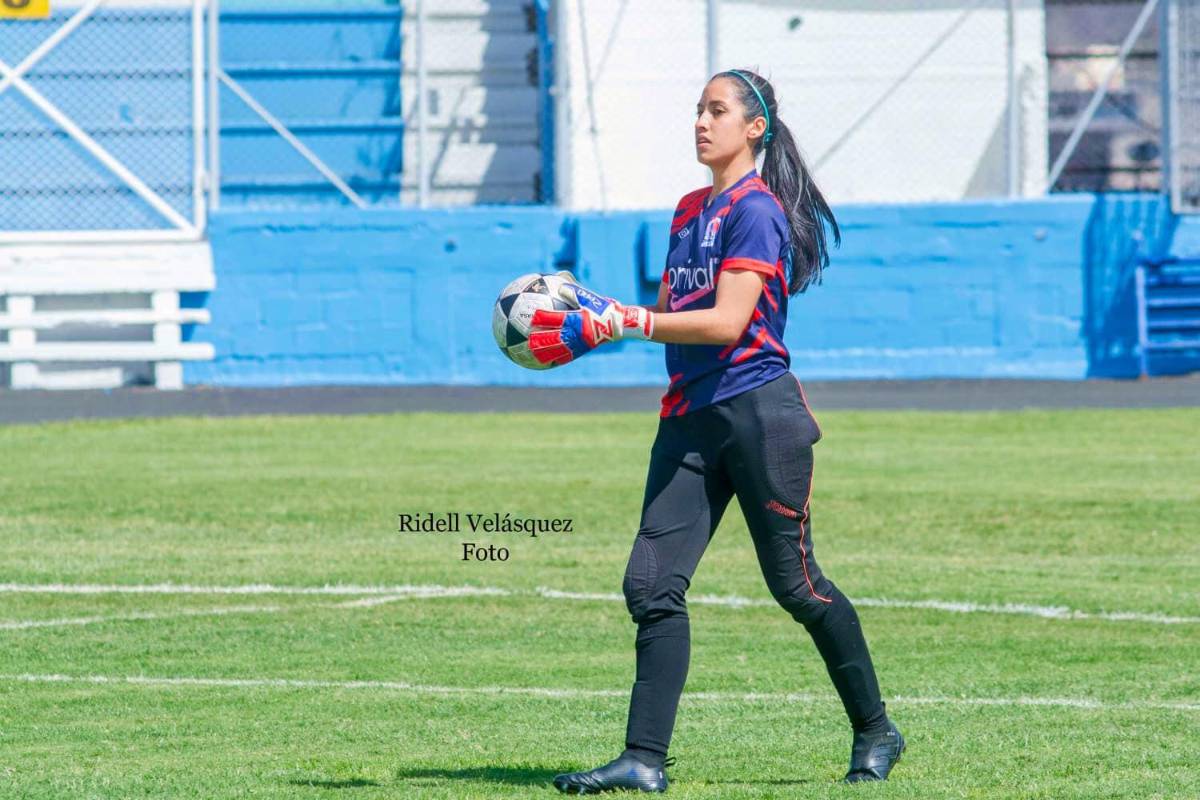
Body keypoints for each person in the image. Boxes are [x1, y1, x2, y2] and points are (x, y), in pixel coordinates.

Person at [526, 69, 905, 793]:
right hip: (688, 420)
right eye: (697, 109)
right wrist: (592, 313)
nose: (701, 121)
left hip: (760, 416)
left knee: (797, 588)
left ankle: (876, 729)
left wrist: (629, 322)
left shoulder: (756, 210)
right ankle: (643, 760)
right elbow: (671, 307)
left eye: (717, 110)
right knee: (650, 585)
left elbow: (728, 323)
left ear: (754, 127)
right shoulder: (687, 209)